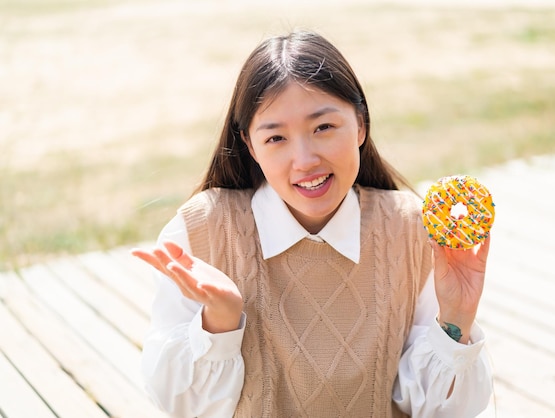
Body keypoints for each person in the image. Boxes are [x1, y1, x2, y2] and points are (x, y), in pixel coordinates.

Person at [131, 30, 493, 418]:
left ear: (360, 125)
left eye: (323, 128)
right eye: (276, 138)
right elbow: (179, 405)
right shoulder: (203, 230)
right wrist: (218, 322)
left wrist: (455, 318)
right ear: (250, 146)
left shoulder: (411, 230)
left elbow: (439, 410)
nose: (304, 160)